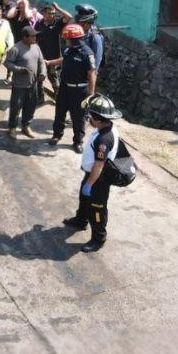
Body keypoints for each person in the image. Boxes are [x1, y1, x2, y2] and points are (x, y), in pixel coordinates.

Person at [63, 94, 122, 253]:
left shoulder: (104, 139)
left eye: (91, 116)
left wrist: (90, 183)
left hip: (98, 180)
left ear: (98, 119)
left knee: (97, 209)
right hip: (91, 176)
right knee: (84, 199)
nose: (88, 118)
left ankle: (98, 238)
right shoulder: (106, 127)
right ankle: (81, 221)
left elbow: (99, 164)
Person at [46, 23, 97, 152]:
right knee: (60, 113)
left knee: (78, 118)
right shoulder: (69, 50)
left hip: (80, 91)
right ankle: (57, 135)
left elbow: (92, 73)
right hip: (64, 88)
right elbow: (64, 59)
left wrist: (90, 94)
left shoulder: (87, 53)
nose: (65, 41)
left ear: (74, 39)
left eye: (67, 39)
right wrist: (50, 62)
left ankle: (78, 142)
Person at [4, 26, 47, 138]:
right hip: (19, 85)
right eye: (32, 36)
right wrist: (20, 70)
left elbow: (41, 62)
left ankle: (26, 126)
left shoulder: (36, 47)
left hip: (33, 84)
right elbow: (7, 63)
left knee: (31, 106)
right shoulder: (16, 48)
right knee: (16, 107)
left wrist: (42, 73)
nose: (35, 38)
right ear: (24, 37)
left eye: (35, 35)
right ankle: (12, 128)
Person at [34, 1, 65, 93]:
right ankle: (40, 95)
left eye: (53, 13)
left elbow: (69, 17)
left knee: (53, 76)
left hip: (53, 58)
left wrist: (58, 8)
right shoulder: (39, 23)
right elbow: (35, 37)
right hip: (41, 56)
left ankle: (58, 95)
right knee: (39, 75)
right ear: (44, 13)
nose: (52, 15)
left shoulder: (57, 24)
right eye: (50, 13)